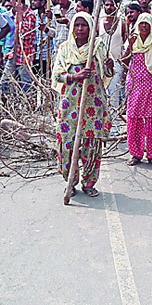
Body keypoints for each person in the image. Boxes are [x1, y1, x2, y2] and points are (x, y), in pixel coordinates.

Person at [52, 12, 113, 198]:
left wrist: (110, 65)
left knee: (91, 145)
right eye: (77, 25)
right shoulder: (65, 49)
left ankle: (89, 183)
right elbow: (56, 75)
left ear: (90, 27)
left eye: (84, 25)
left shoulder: (98, 47)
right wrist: (74, 77)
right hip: (70, 105)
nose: (80, 29)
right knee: (67, 145)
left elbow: (107, 72)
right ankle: (70, 180)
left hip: (93, 106)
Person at [122, 13, 152, 165]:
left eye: (147, 23)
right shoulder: (133, 40)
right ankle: (135, 154)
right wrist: (130, 46)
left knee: (151, 119)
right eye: (141, 23)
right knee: (133, 118)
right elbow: (123, 60)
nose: (144, 26)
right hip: (134, 85)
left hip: (150, 84)